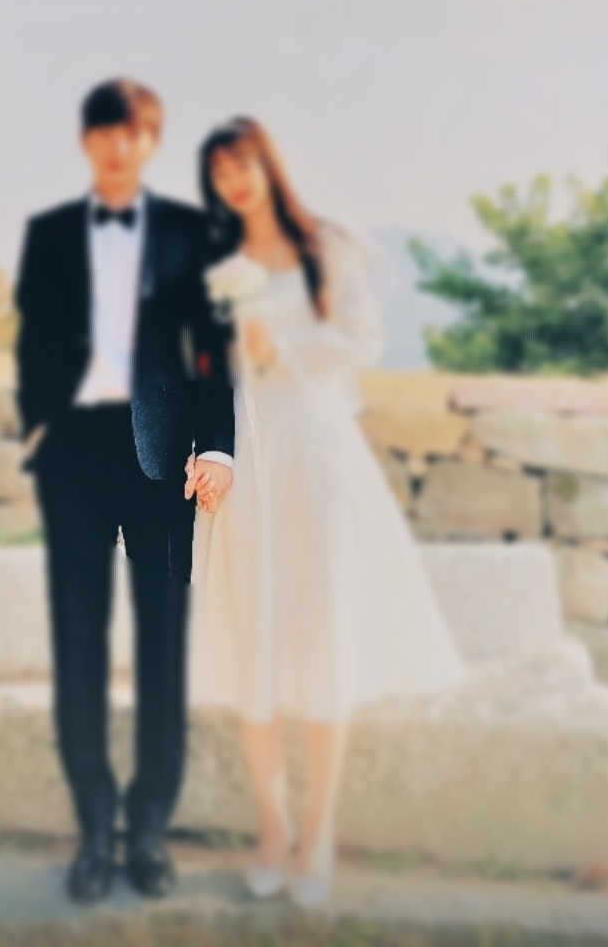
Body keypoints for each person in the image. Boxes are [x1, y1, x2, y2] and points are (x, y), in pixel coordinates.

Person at [187, 117, 465, 909]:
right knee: (255, 643)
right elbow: (205, 373)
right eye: (220, 172)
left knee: (322, 637)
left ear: (268, 165)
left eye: (243, 164)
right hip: (249, 454)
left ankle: (318, 832)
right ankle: (270, 827)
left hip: (316, 447)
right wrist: (213, 453)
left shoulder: (326, 250)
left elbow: (362, 340)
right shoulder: (217, 266)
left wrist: (286, 353)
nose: (235, 181)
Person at [13, 79, 235, 903]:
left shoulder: (190, 231)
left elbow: (212, 348)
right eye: (104, 131)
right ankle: (93, 832)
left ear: (151, 142)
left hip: (161, 454)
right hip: (72, 450)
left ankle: (147, 833)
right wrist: (36, 425)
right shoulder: (47, 234)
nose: (117, 145)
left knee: (162, 644)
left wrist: (218, 447)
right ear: (87, 140)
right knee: (77, 642)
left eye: (132, 132)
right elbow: (33, 338)